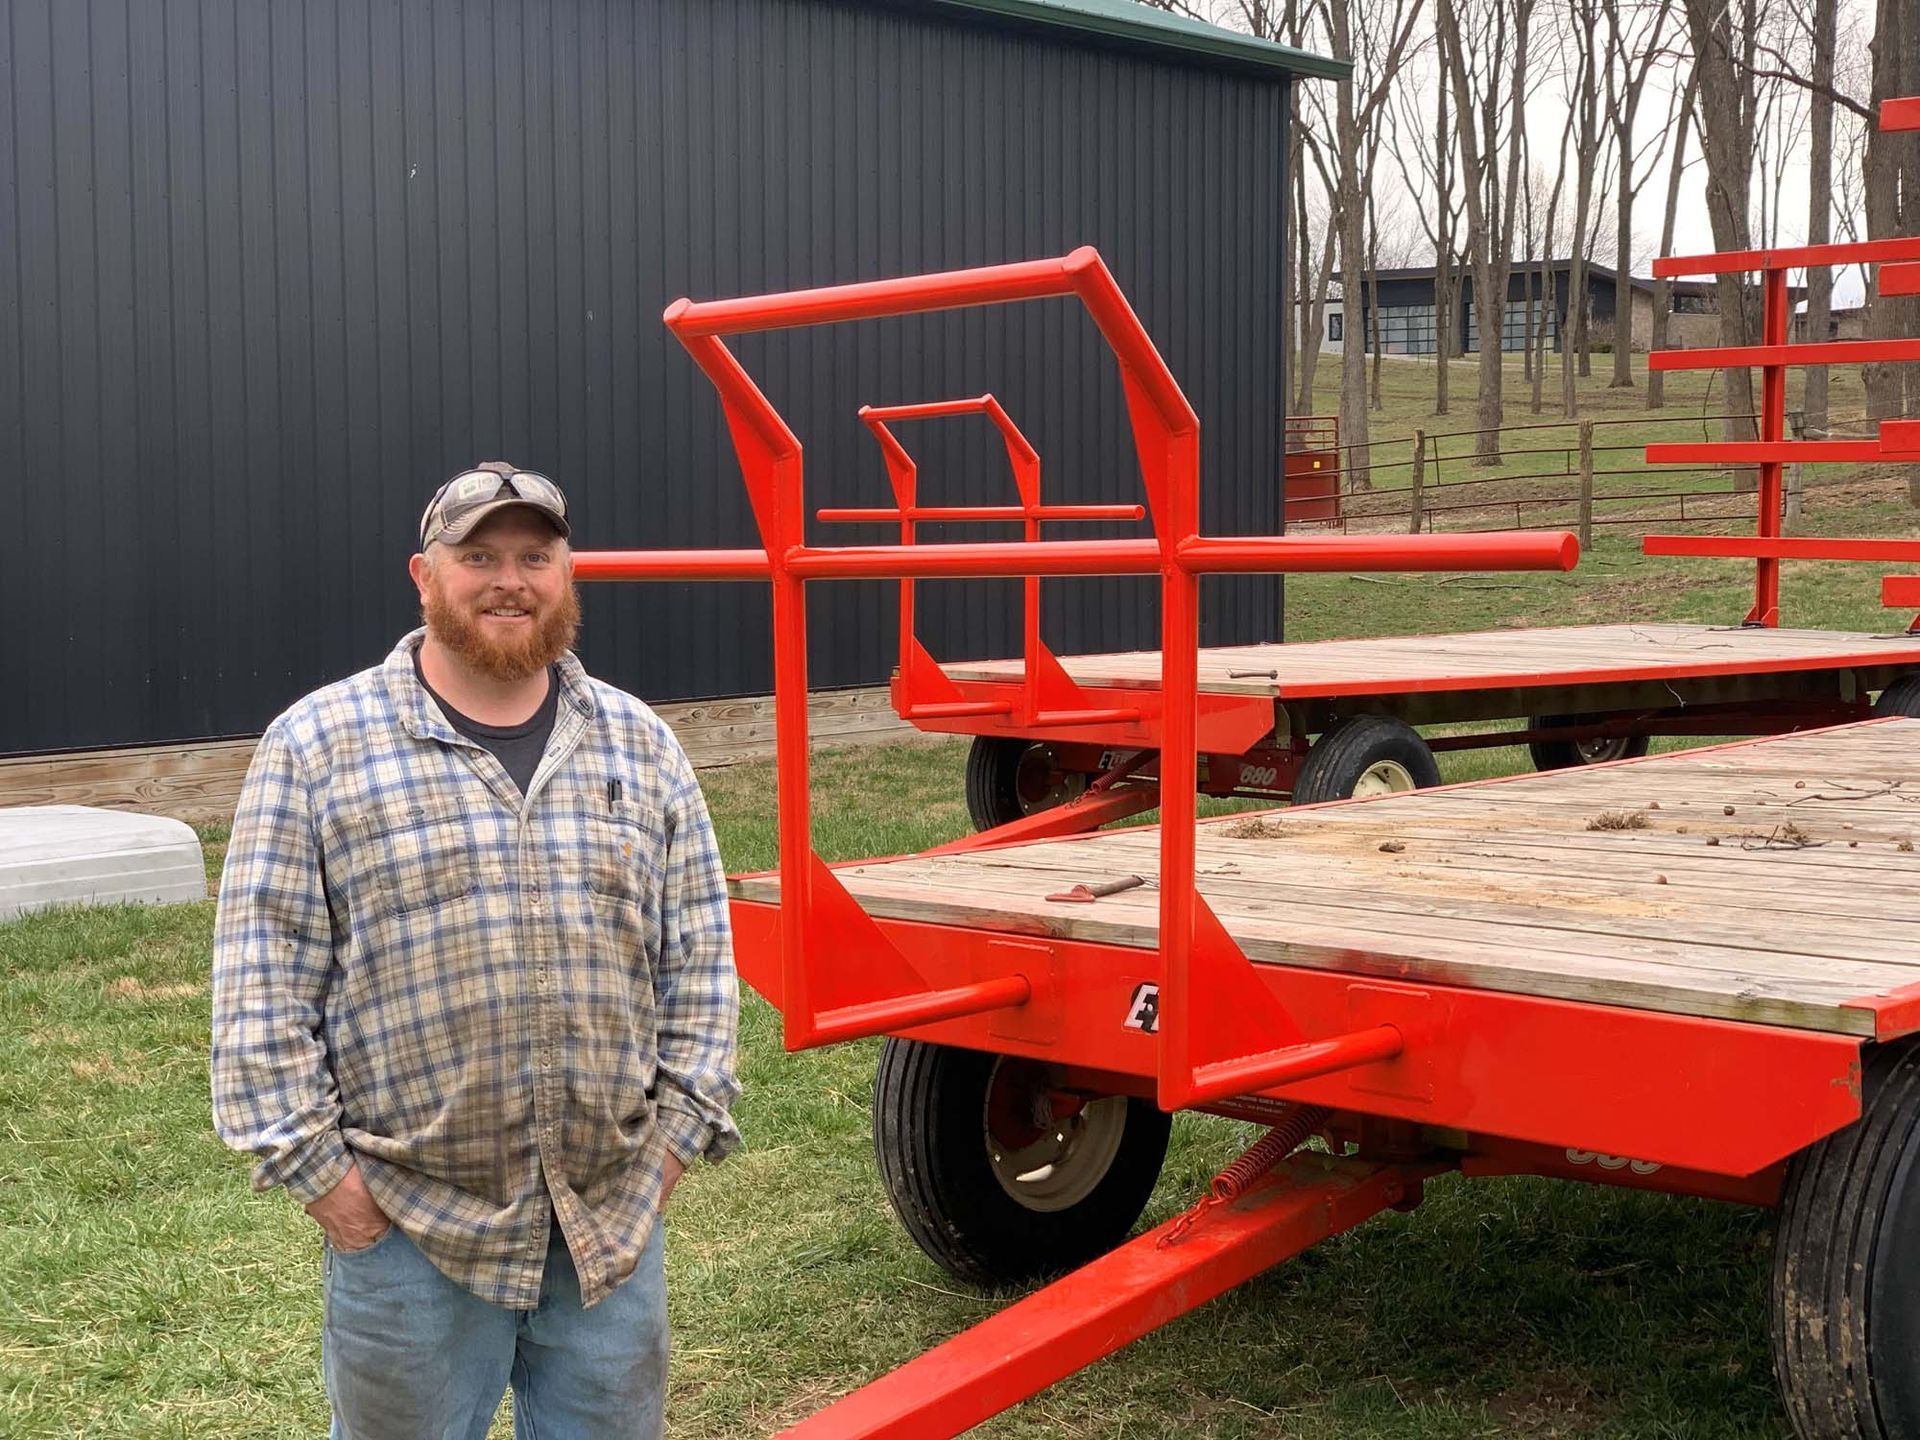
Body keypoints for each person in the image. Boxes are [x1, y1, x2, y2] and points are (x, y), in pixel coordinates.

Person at [211, 462, 740, 1440]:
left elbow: (700, 965)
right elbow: (260, 989)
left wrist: (668, 1155)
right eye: (480, 556)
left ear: (566, 570)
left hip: (608, 1235)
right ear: (425, 574)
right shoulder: (318, 746)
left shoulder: (640, 745)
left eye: (535, 555)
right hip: (411, 1236)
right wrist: (341, 1199)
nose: (511, 579)